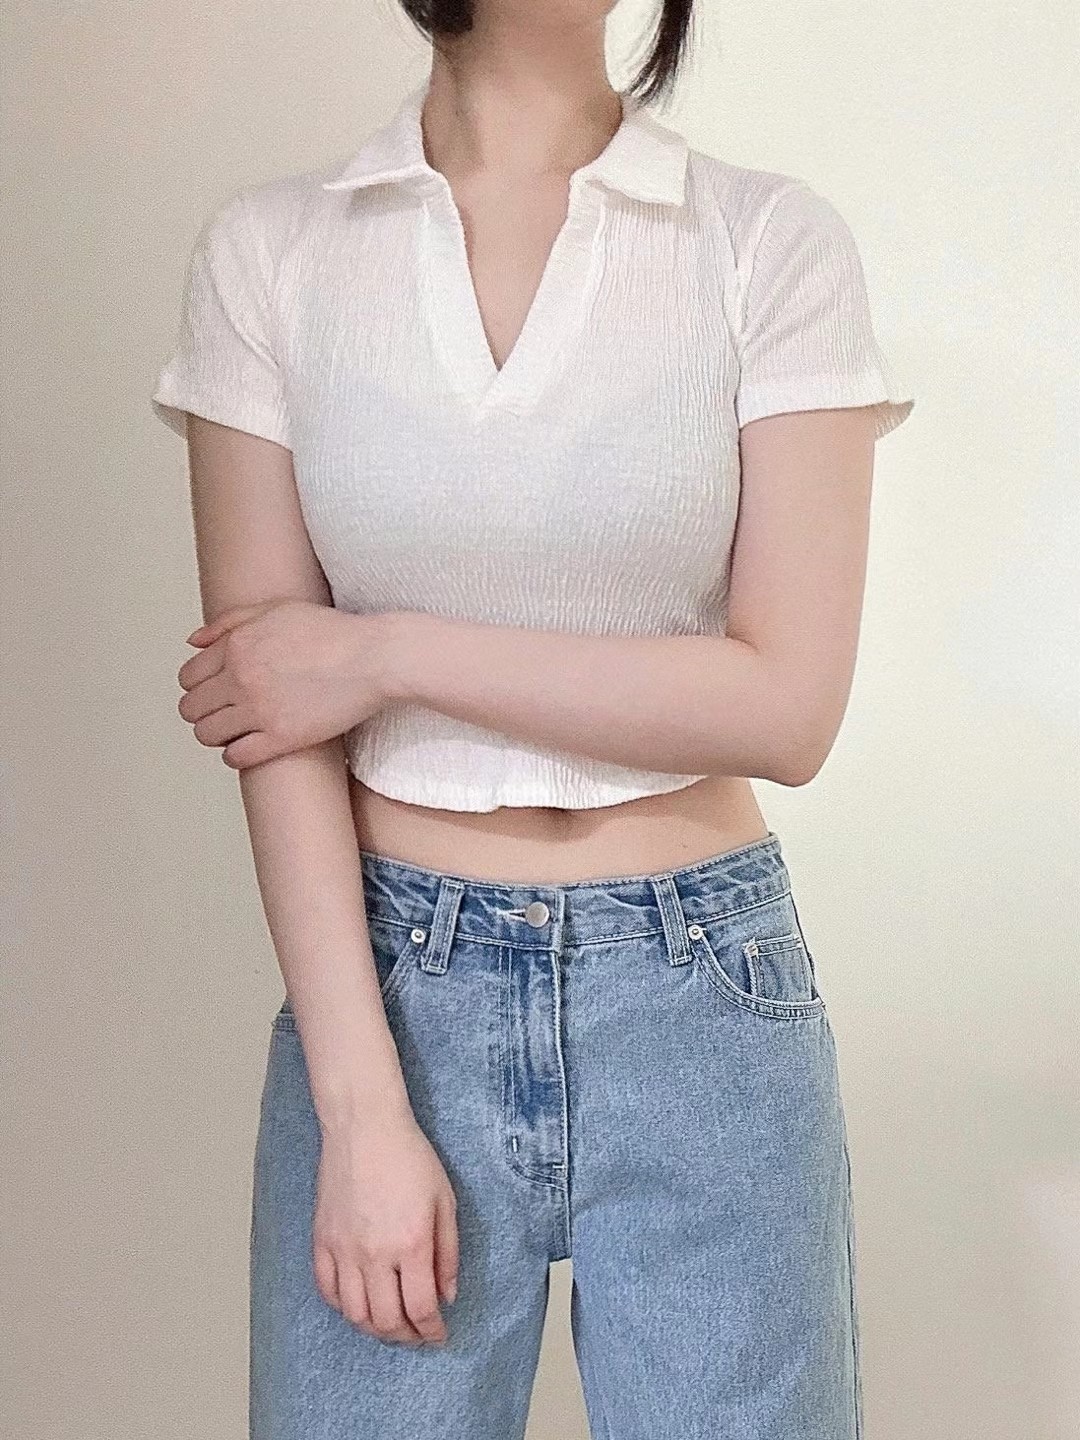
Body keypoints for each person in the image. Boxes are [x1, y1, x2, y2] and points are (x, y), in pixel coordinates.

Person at [151, 1, 913, 1435]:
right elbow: (271, 704)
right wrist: (361, 1112)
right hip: (392, 992)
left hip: (704, 992)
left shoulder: (762, 241)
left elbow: (786, 705)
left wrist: (383, 655)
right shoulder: (277, 253)